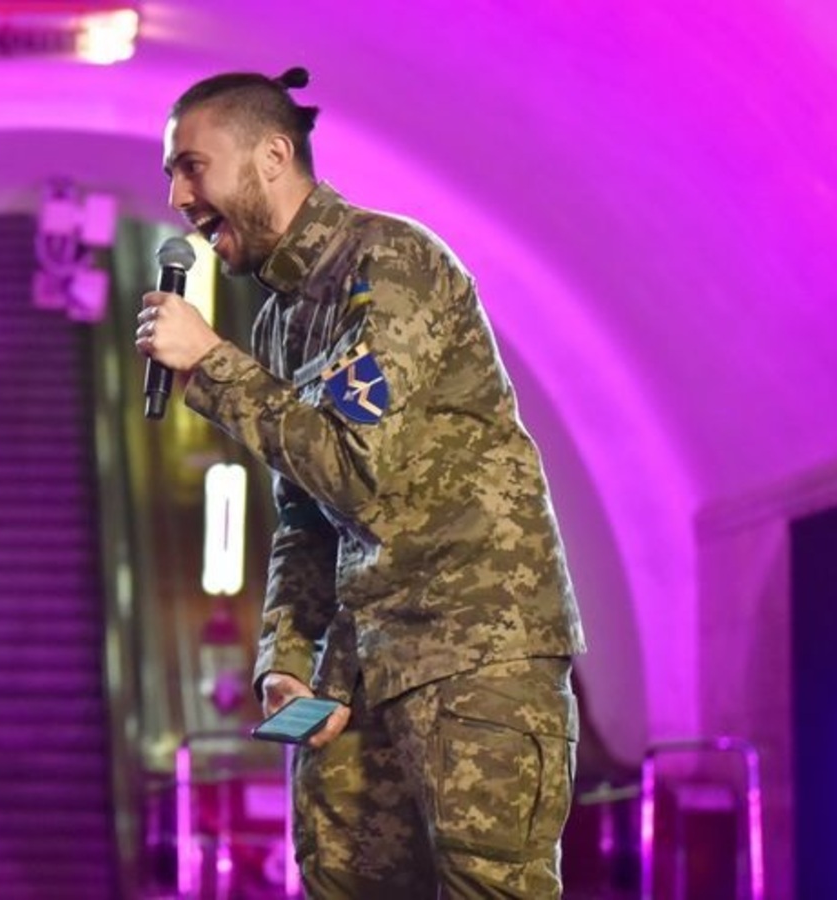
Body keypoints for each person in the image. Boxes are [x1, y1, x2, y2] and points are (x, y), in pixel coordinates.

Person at [136, 68, 586, 897]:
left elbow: (353, 467)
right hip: (360, 668)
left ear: (273, 155)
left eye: (191, 165)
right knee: (340, 877)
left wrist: (211, 363)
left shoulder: (390, 263)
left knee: (488, 883)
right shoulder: (279, 316)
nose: (175, 195)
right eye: (172, 171)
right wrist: (289, 658)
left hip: (473, 651)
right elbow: (306, 513)